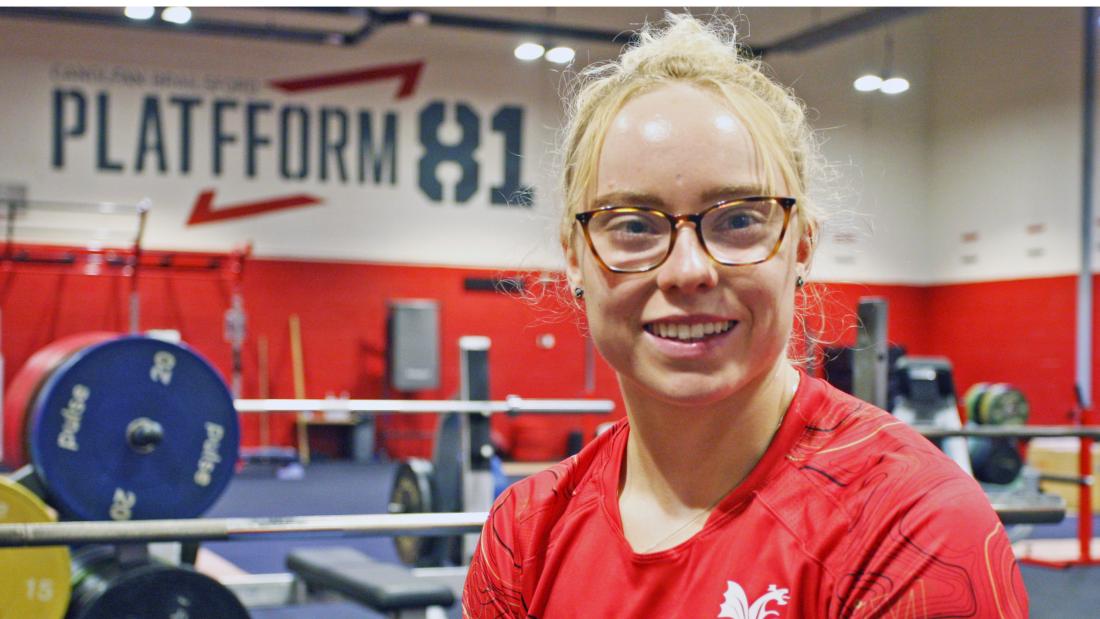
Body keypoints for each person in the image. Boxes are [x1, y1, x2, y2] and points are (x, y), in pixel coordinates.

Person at [463, 14, 1027, 618]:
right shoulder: (524, 534)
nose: (686, 271)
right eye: (632, 225)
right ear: (575, 257)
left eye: (737, 220)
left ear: (801, 246)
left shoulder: (912, 531)